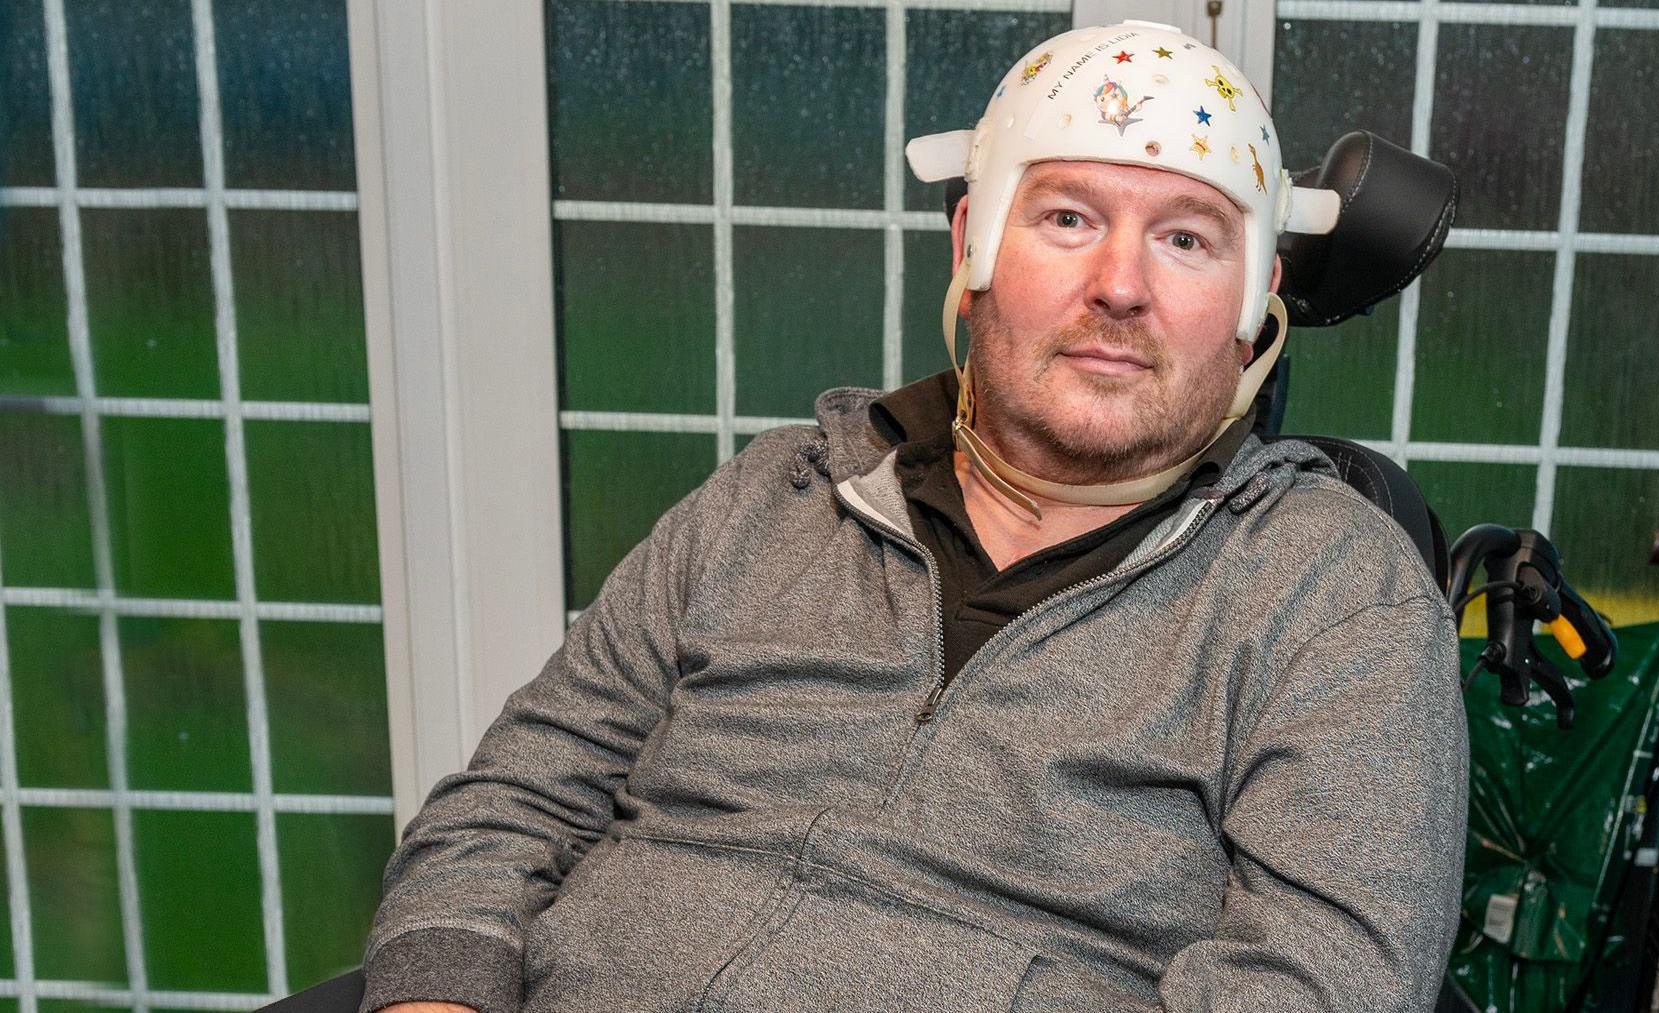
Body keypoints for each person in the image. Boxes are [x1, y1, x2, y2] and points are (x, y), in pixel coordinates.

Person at [359, 20, 1467, 1013]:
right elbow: (514, 794)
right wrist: (434, 992)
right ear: (972, 246)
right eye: (1070, 217)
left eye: (1186, 239)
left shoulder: (1331, 592)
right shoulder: (774, 496)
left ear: (1252, 295)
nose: (1120, 285)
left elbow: (1324, 983)